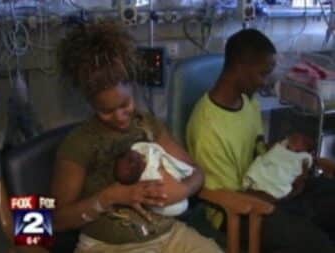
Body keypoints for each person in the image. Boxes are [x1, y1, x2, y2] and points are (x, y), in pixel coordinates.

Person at [52, 21, 223, 253]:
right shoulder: (79, 144)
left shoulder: (148, 124)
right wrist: (108, 197)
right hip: (110, 246)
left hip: (169, 236)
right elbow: (54, 219)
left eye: (125, 104)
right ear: (90, 103)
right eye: (106, 111)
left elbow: (197, 173)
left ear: (132, 86)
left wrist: (182, 190)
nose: (120, 117)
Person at [187, 28, 335, 253]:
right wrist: (286, 191)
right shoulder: (208, 128)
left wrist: (290, 162)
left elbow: (259, 153)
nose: (265, 82)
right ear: (240, 67)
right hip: (238, 213)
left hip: (272, 191)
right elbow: (231, 196)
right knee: (319, 246)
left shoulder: (247, 103)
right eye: (263, 73)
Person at [114, 141, 194, 216]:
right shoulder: (148, 176)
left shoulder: (146, 150)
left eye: (129, 160)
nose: (132, 165)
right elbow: (162, 190)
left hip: (186, 184)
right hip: (176, 203)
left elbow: (157, 151)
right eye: (131, 171)